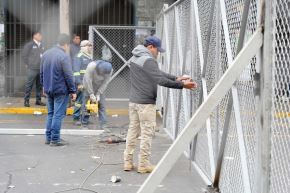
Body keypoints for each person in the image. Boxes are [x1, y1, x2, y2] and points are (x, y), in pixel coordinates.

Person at [123, 36, 197, 173]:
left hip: (134, 102)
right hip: (145, 103)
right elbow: (160, 80)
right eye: (157, 50)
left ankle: (127, 162)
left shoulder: (135, 57)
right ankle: (143, 165)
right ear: (151, 47)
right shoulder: (148, 60)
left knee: (132, 131)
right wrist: (182, 85)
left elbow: (157, 73)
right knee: (147, 133)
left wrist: (176, 78)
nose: (158, 53)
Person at [40, 34, 76, 146]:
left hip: (48, 89)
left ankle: (48, 138)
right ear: (66, 44)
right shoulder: (63, 56)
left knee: (50, 114)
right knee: (57, 115)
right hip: (60, 90)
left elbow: (41, 72)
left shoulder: (46, 54)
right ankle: (55, 139)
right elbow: (69, 75)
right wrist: (73, 90)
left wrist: (43, 86)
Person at [81, 46, 113, 130]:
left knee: (101, 105)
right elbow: (88, 80)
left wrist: (98, 93)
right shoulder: (91, 66)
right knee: (87, 105)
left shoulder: (110, 70)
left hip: (99, 87)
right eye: (101, 73)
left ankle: (104, 125)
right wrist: (91, 94)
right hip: (88, 86)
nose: (103, 75)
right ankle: (84, 124)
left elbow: (106, 82)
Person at [72, 40, 93, 125]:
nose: (90, 47)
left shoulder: (89, 57)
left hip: (89, 83)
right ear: (84, 47)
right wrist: (79, 83)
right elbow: (76, 71)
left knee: (87, 102)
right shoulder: (79, 56)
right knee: (79, 101)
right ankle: (76, 117)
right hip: (82, 83)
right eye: (89, 46)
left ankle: (85, 119)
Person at [22, 31, 45, 107]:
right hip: (32, 68)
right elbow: (24, 56)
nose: (40, 36)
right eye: (39, 35)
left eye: (40, 35)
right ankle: (26, 101)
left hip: (40, 68)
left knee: (39, 85)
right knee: (29, 85)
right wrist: (28, 64)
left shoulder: (42, 45)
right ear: (34, 36)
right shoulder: (29, 45)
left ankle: (38, 100)